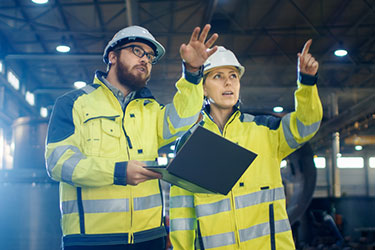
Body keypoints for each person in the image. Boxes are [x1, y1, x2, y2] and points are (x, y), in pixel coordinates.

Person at [45, 24, 218, 250]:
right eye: (137, 51)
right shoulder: (73, 103)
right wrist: (117, 172)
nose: (145, 60)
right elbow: (58, 163)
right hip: (92, 241)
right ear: (112, 56)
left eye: (149, 56)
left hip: (149, 238)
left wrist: (193, 73)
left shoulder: (150, 109)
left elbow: (183, 119)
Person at [169, 41, 323, 250]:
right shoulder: (190, 143)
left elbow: (306, 126)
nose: (228, 83)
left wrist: (306, 84)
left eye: (233, 76)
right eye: (218, 76)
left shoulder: (266, 131)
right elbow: (182, 212)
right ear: (203, 88)